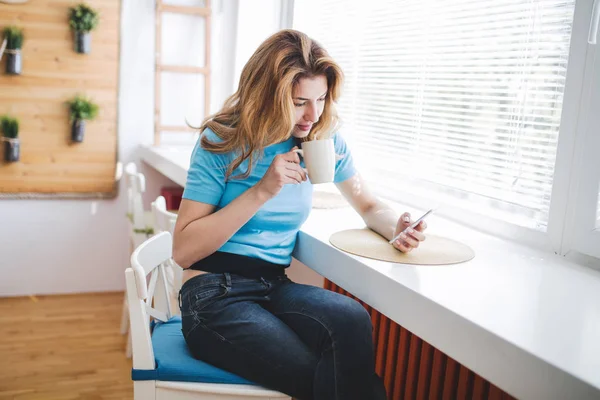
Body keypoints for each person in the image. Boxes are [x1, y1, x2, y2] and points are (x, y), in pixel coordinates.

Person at [173, 29, 427, 400]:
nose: (313, 114)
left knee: (351, 319)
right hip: (213, 293)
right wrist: (262, 190)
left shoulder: (321, 139)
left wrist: (398, 228)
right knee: (321, 375)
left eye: (322, 98)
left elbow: (370, 206)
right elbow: (182, 250)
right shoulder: (222, 140)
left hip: (274, 285)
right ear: (266, 95)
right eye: (299, 102)